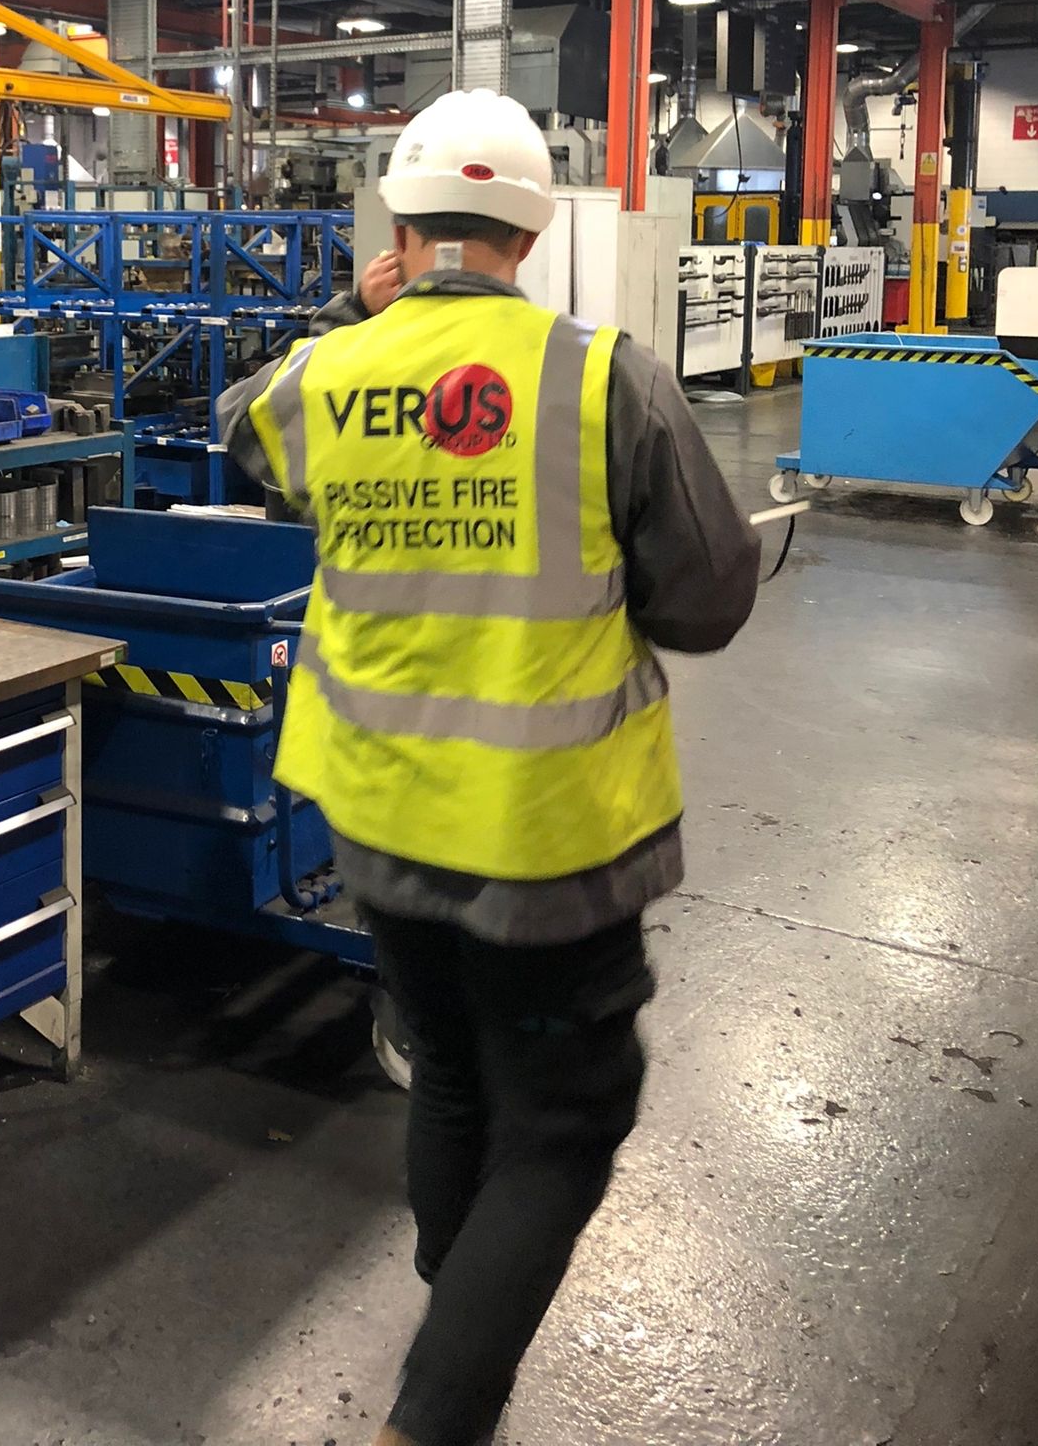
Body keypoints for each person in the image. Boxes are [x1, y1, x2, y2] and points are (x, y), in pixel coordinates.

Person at [216, 89, 760, 1446]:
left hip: (382, 821)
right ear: (534, 227)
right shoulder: (603, 376)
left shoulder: (324, 378)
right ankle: (434, 1417)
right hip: (548, 833)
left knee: (455, 1074)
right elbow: (707, 601)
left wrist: (357, 321)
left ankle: (458, 1322)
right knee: (569, 1117)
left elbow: (238, 426)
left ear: (402, 225)